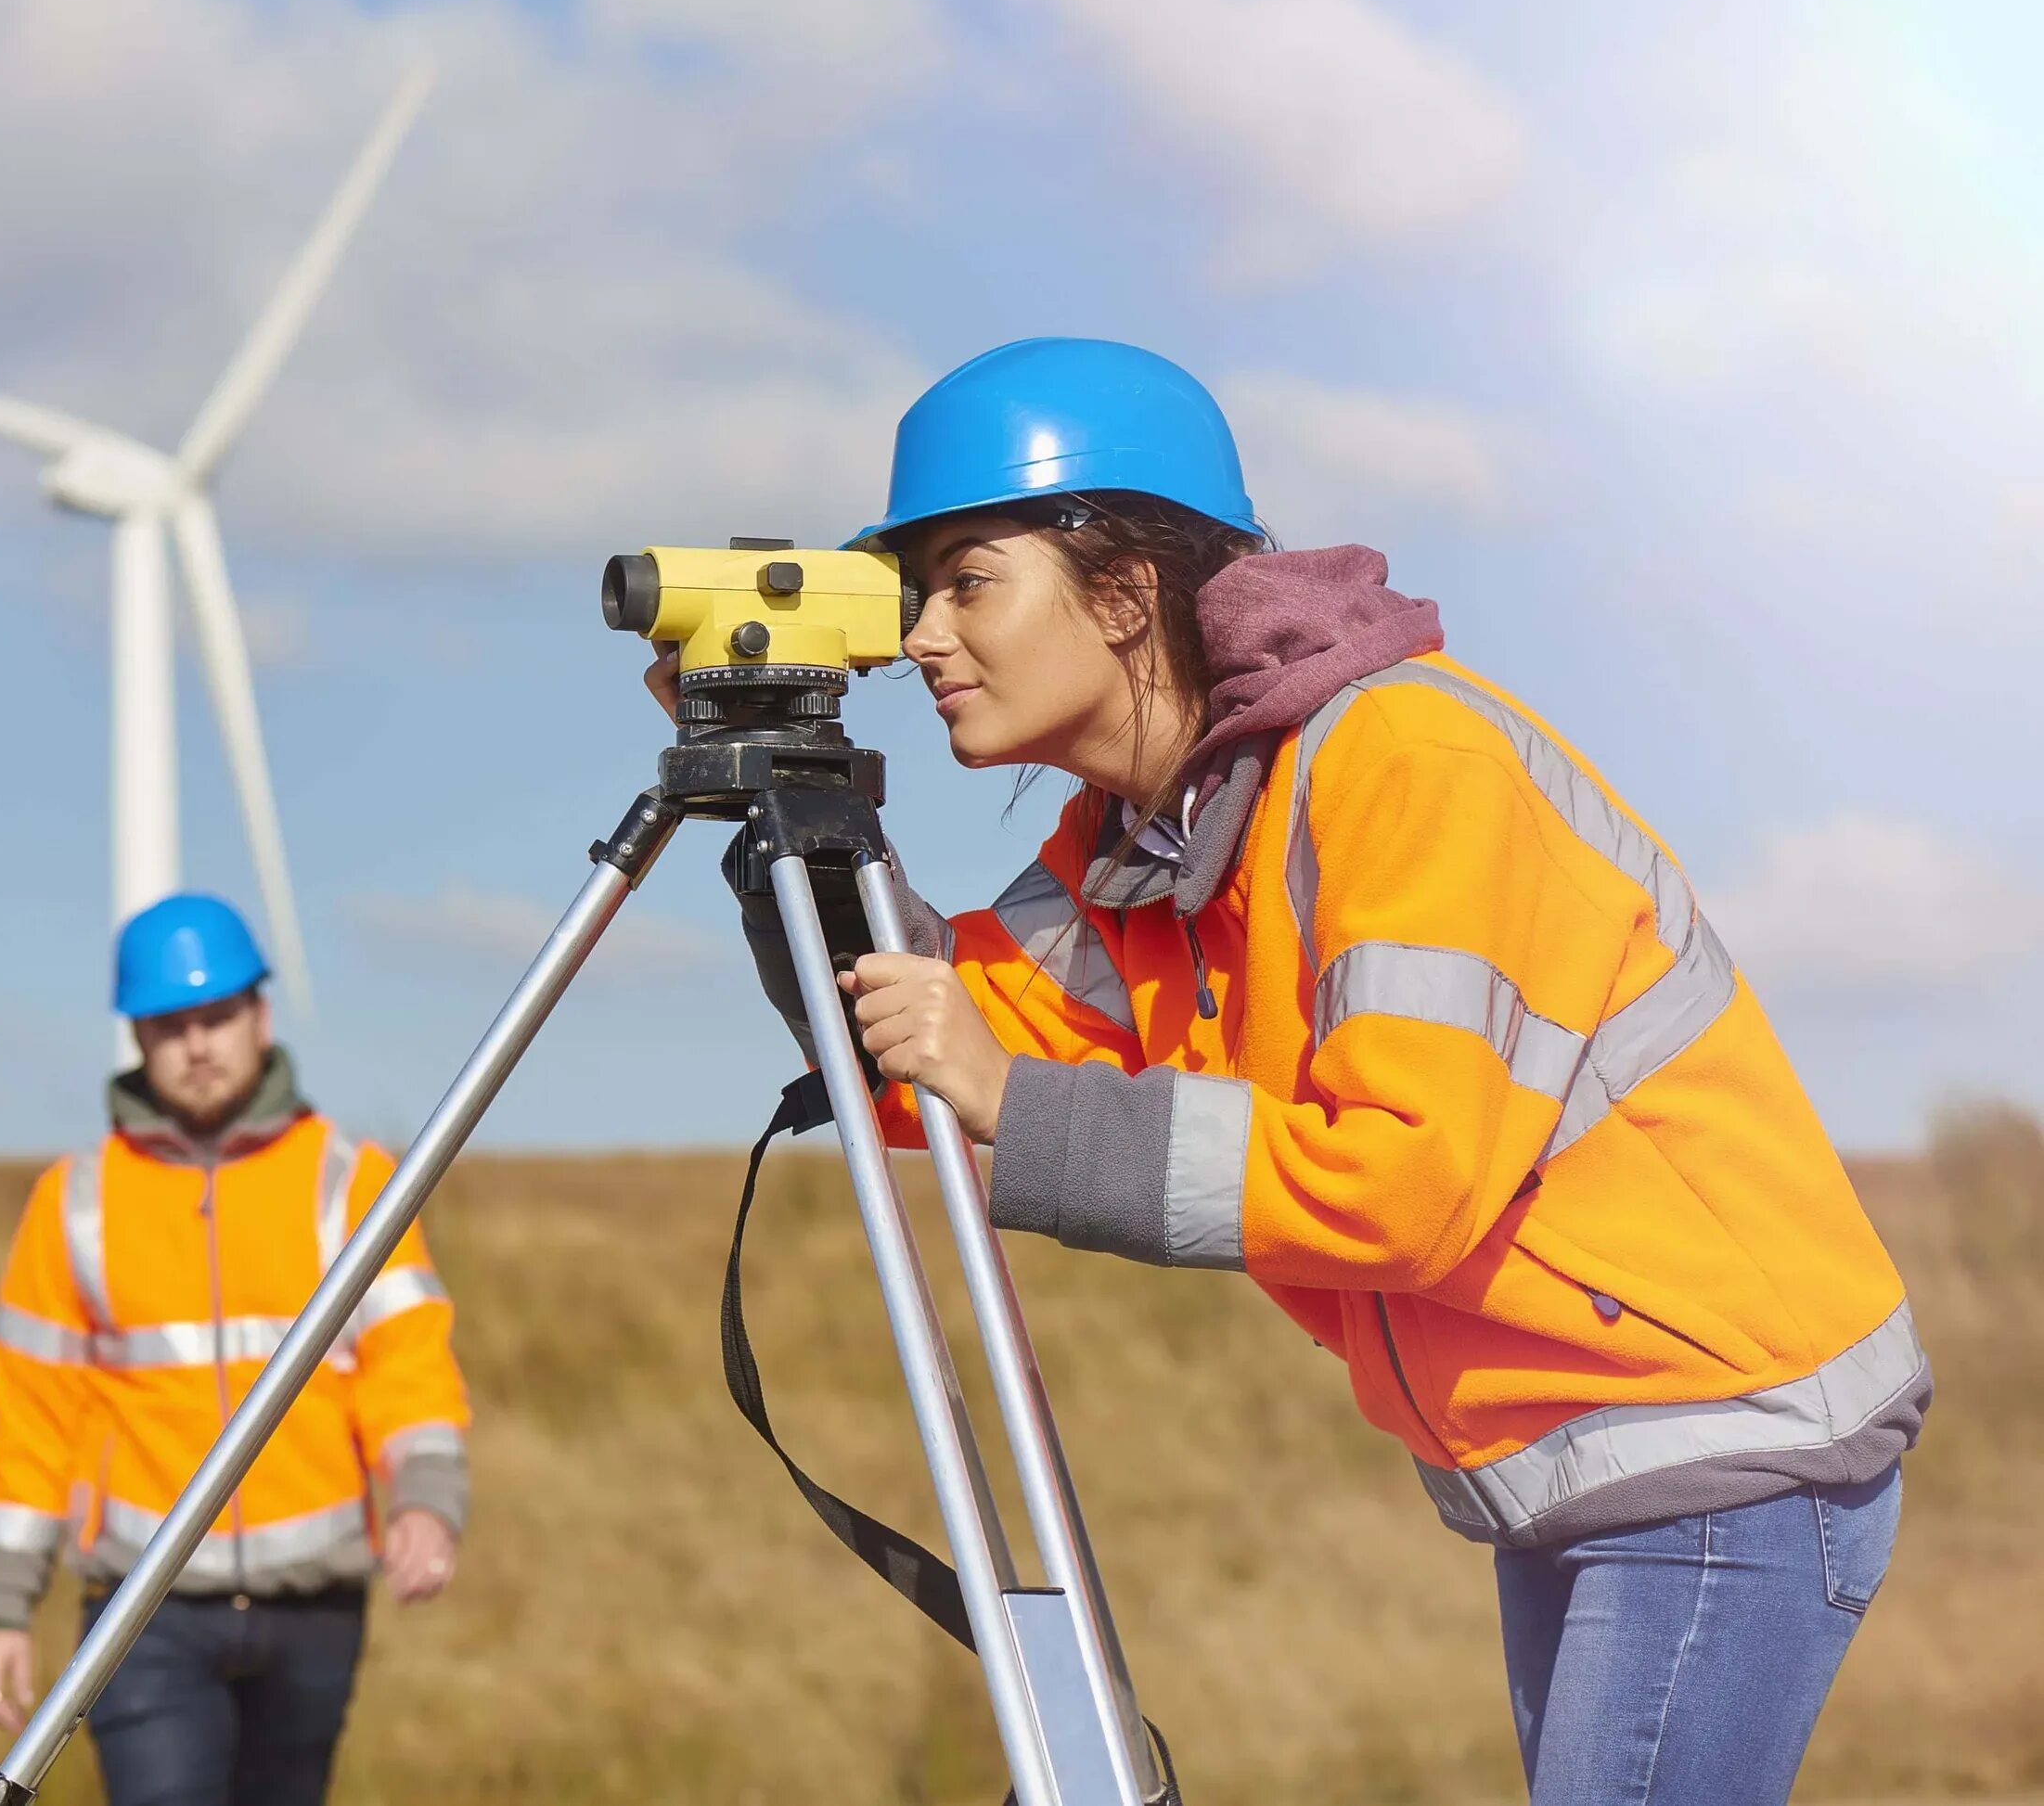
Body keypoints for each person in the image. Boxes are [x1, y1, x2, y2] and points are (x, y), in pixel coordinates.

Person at [664, 338, 1929, 1806]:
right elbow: (922, 1062)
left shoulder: (1402, 760)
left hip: (1724, 1435)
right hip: (1569, 1454)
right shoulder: (1149, 839)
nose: (928, 637)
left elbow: (1404, 1182)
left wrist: (1020, 1100)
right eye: (913, 593)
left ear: (1127, 590)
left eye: (967, 579)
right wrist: (783, 804)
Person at [0, 893, 469, 1806]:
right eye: (170, 1024)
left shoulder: (349, 1181)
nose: (198, 1043)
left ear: (260, 1014)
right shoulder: (74, 1201)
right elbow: (33, 1419)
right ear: (138, 1037)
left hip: (314, 1612)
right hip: (141, 1615)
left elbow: (409, 1363)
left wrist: (427, 1503)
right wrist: (4, 1605)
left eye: (217, 1015)